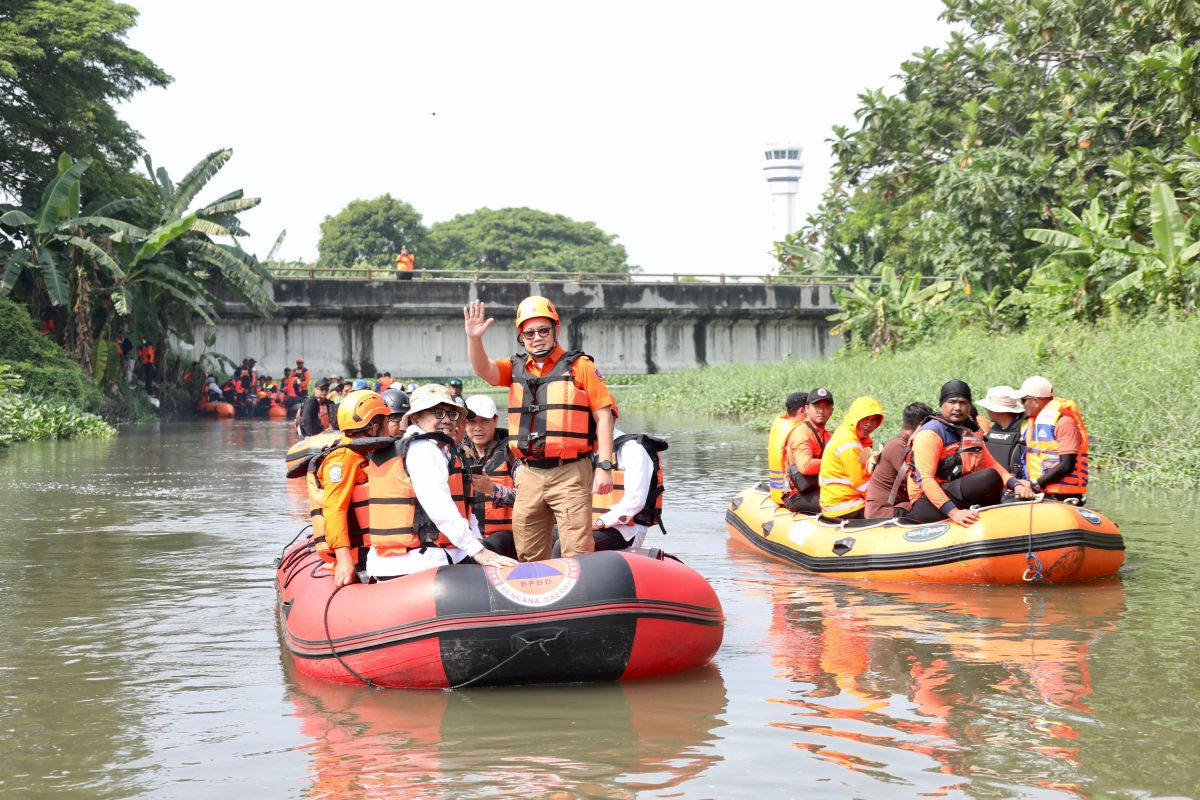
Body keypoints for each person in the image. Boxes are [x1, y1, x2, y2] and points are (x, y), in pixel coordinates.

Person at [464, 296, 617, 562]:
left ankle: (577, 598)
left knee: (576, 550)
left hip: (570, 471)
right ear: (521, 337)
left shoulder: (581, 367)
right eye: (529, 333)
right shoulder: (514, 368)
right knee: (529, 551)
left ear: (555, 330)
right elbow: (483, 369)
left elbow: (604, 416)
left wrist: (604, 467)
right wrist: (474, 339)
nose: (537, 338)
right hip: (529, 474)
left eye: (543, 330)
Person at [364, 384, 517, 579]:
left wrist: (476, 543)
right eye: (437, 412)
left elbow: (465, 512)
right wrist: (480, 552)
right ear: (415, 417)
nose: (446, 419)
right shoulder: (423, 448)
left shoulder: (437, 449)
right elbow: (439, 506)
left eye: (451, 414)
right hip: (419, 561)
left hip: (415, 558)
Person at [907, 380, 1035, 525]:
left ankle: (991, 518)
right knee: (989, 476)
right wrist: (954, 513)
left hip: (955, 491)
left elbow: (991, 463)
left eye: (963, 403)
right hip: (928, 503)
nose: (957, 407)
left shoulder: (970, 430)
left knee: (991, 476)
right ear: (942, 404)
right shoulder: (931, 433)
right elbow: (925, 479)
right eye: (952, 402)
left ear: (969, 406)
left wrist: (1016, 485)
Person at [314, 390, 391, 587]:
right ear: (374, 427)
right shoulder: (343, 459)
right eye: (386, 421)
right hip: (360, 554)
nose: (389, 427)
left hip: (377, 546)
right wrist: (344, 559)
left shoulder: (364, 454)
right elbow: (334, 509)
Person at [460, 394, 520, 558]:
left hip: (508, 538)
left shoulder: (513, 454)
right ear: (464, 423)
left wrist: (493, 490)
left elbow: (531, 497)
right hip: (469, 540)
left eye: (484, 421)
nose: (477, 427)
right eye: (472, 421)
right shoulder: (455, 455)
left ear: (495, 420)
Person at [589, 428, 668, 551]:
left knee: (566, 543)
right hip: (587, 525)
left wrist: (599, 522)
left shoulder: (633, 448)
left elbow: (635, 501)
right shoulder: (585, 451)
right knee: (550, 535)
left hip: (624, 531)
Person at [1016, 375, 1089, 503]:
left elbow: (1067, 465)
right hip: (1040, 492)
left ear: (1035, 401)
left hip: (1060, 497)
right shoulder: (1032, 424)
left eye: (1023, 400)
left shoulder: (1064, 423)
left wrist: (1035, 485)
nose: (1022, 406)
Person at [818, 396, 884, 519]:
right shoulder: (848, 442)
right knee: (898, 513)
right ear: (855, 417)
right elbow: (862, 482)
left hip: (839, 501)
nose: (869, 424)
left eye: (874, 420)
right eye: (865, 419)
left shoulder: (848, 434)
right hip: (846, 506)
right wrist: (882, 501)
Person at [865, 402, 932, 519]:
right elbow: (919, 479)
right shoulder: (898, 447)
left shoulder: (901, 445)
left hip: (892, 507)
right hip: (882, 512)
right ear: (921, 426)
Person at [767, 392, 808, 505]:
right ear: (802, 411)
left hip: (777, 491)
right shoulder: (799, 432)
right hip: (791, 494)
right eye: (813, 407)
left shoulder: (781, 424)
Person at [978, 385, 1027, 478]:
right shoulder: (995, 429)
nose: (987, 410)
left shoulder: (1026, 429)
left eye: (987, 408)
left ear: (996, 410)